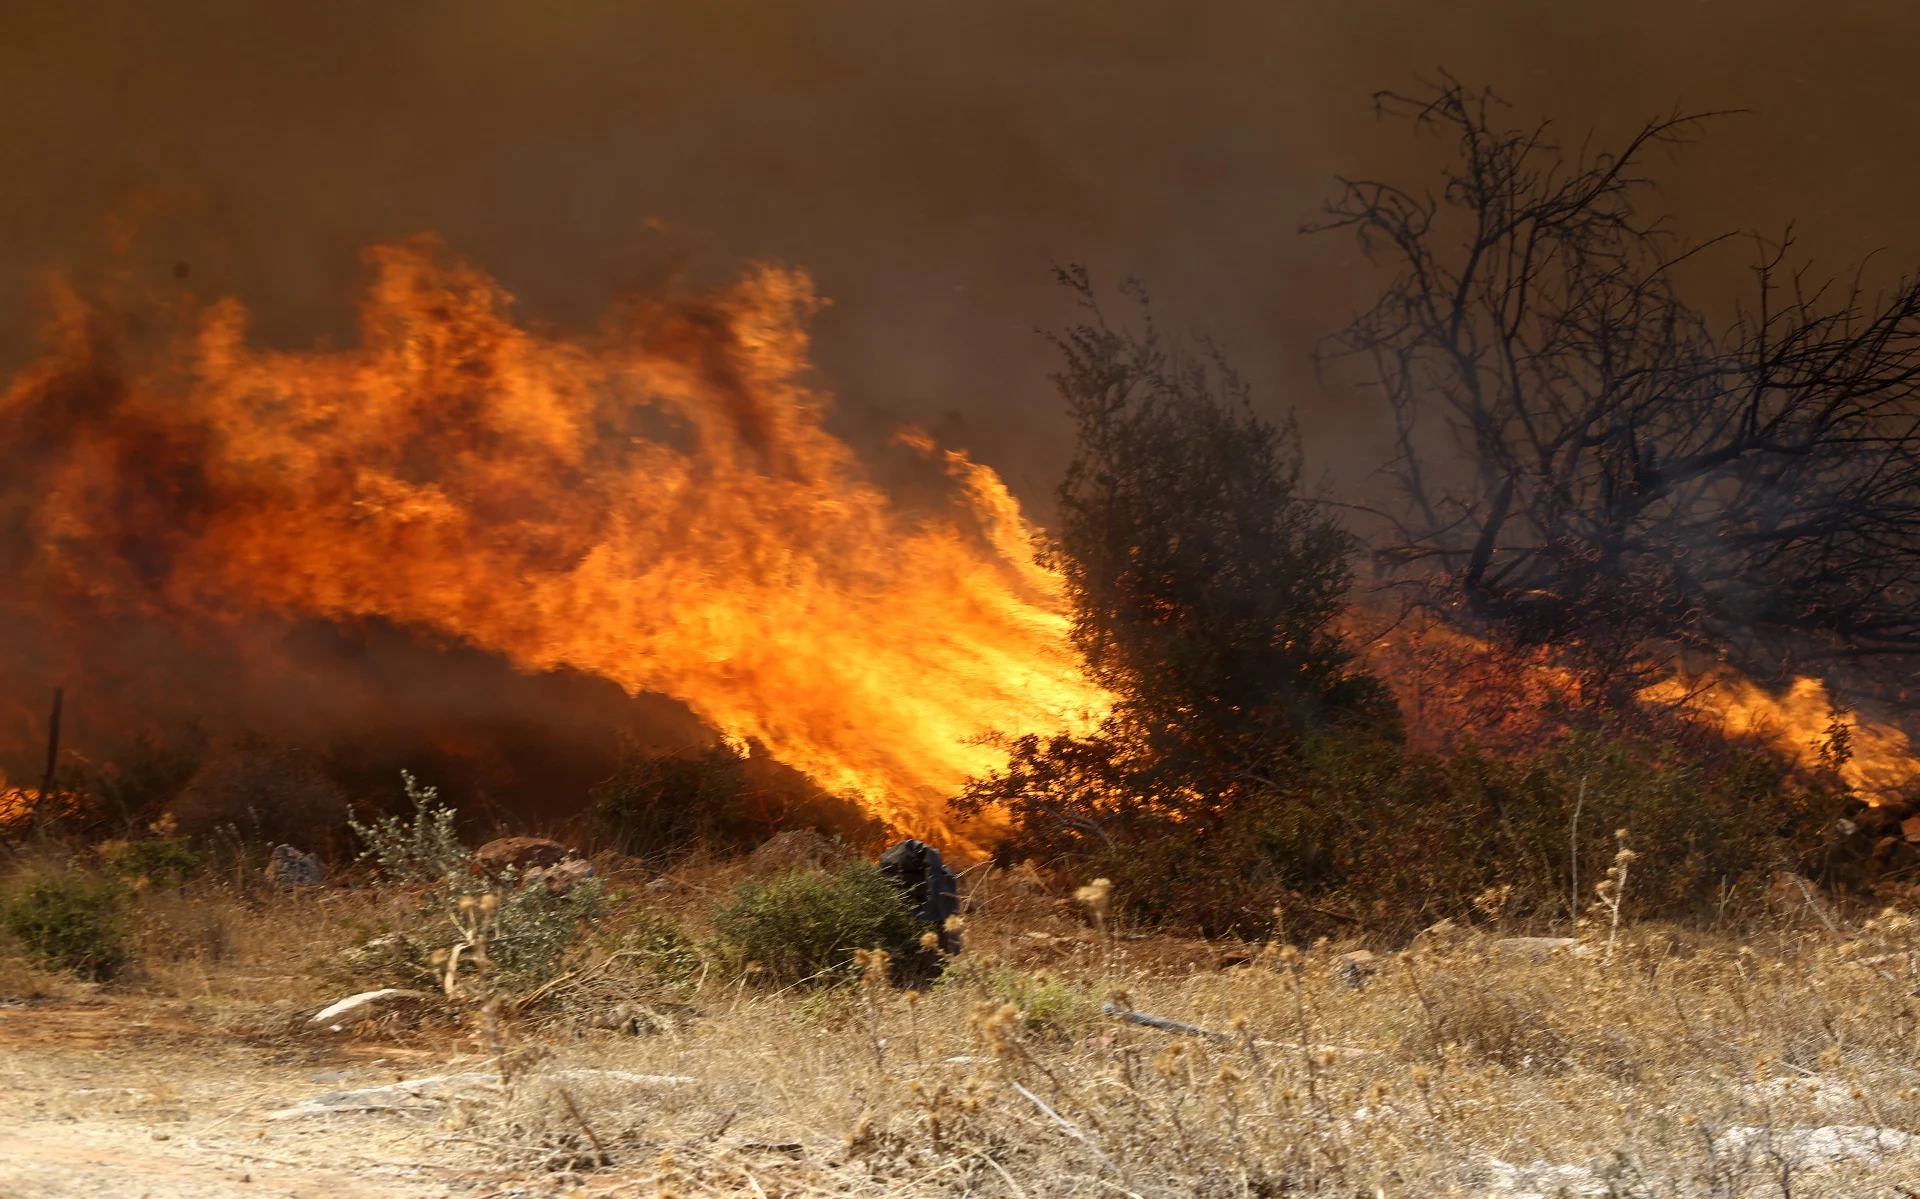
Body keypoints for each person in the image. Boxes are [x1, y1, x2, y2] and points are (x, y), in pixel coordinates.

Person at [877, 838, 961, 954]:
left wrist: (929, 907)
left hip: (930, 929)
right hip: (921, 937)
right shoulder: (889, 872)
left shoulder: (935, 875)